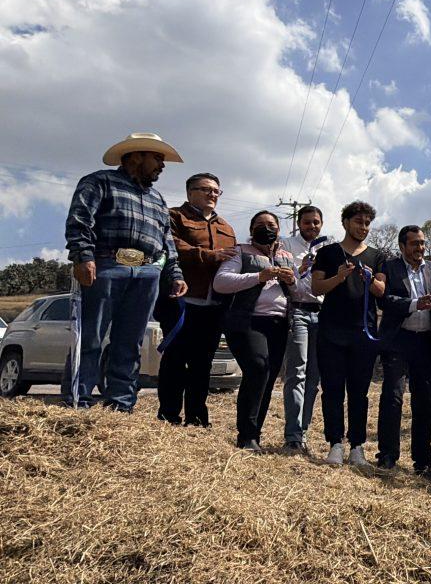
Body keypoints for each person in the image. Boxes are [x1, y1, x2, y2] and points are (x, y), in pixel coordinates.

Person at [63, 132, 188, 411]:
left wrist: (175, 273)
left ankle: (120, 404)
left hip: (146, 271)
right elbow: (80, 219)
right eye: (157, 158)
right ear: (135, 156)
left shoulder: (157, 199)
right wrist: (83, 256)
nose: (162, 165)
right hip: (106, 264)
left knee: (130, 341)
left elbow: (166, 240)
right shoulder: (99, 182)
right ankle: (77, 400)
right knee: (91, 336)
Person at [213, 211, 299, 450]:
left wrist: (292, 282)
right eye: (260, 225)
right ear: (251, 230)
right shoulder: (240, 251)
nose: (266, 228)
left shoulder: (285, 256)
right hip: (247, 320)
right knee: (258, 367)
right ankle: (246, 435)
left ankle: (255, 434)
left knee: (268, 378)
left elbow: (301, 291)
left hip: (278, 323)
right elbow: (221, 282)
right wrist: (258, 276)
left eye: (271, 225)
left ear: (279, 230)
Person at [157, 172, 237, 427]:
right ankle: (169, 415)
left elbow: (233, 260)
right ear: (190, 192)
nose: (212, 195)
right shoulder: (173, 216)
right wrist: (209, 256)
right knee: (175, 360)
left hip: (214, 305)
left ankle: (197, 417)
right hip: (182, 300)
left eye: (216, 191)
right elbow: (170, 245)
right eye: (206, 190)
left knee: (203, 363)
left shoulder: (226, 226)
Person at [311, 201, 387, 467]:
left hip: (364, 332)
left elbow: (381, 291)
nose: (363, 227)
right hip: (331, 330)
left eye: (367, 223)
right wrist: (340, 277)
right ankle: (335, 444)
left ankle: (357, 446)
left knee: (359, 391)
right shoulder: (328, 253)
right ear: (345, 222)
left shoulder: (377, 256)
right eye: (358, 221)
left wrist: (371, 280)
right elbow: (316, 287)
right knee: (332, 389)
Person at [376, 226, 431, 481]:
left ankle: (423, 463)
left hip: (425, 343)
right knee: (392, 397)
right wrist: (416, 304)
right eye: (415, 244)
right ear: (402, 246)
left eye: (422, 243)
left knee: (423, 402)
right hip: (398, 339)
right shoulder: (390, 266)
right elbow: (384, 301)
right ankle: (387, 457)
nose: (420, 248)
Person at [279, 205, 334, 452]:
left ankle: (302, 433)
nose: (312, 226)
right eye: (307, 222)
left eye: (316, 222)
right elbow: (283, 277)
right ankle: (292, 435)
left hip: (323, 314)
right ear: (298, 223)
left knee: (314, 378)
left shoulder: (329, 249)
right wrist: (300, 268)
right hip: (298, 310)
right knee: (297, 373)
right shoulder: (287, 245)